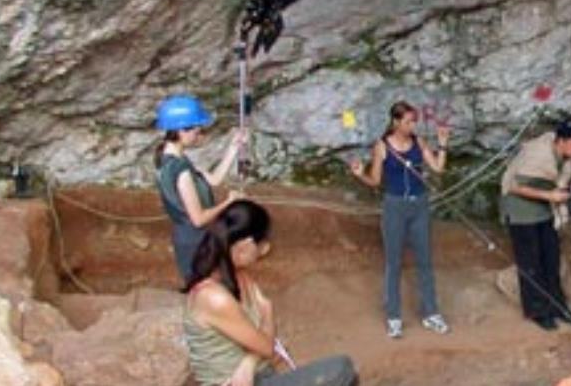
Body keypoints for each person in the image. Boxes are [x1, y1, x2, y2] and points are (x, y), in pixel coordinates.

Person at [184, 200, 358, 386]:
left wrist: (250, 362)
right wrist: (268, 310)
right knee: (342, 368)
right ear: (247, 245)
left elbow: (268, 345)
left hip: (258, 374)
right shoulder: (213, 297)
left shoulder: (240, 276)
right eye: (262, 243)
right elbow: (268, 347)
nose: (266, 249)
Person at [348, 101, 451, 339]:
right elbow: (375, 181)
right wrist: (359, 174)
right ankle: (394, 317)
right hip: (394, 206)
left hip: (419, 205)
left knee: (425, 260)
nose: (412, 125)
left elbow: (437, 168)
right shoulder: (382, 147)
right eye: (408, 121)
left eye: (414, 120)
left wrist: (443, 145)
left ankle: (431, 312)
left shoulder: (419, 142)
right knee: (393, 263)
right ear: (395, 122)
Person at [499, 118, 571, 331]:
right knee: (531, 261)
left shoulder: (564, 155)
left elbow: (561, 179)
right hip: (519, 206)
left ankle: (558, 306)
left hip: (541, 204)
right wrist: (549, 195)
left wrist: (558, 199)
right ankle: (537, 311)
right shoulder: (539, 156)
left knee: (551, 256)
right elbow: (515, 187)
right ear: (560, 142)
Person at [154, 94, 248, 284]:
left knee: (203, 288)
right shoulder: (181, 171)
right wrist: (229, 202)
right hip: (195, 241)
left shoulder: (169, 157)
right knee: (206, 290)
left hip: (190, 237)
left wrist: (233, 148)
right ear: (181, 131)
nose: (199, 136)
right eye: (197, 132)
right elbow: (198, 219)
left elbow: (213, 180)